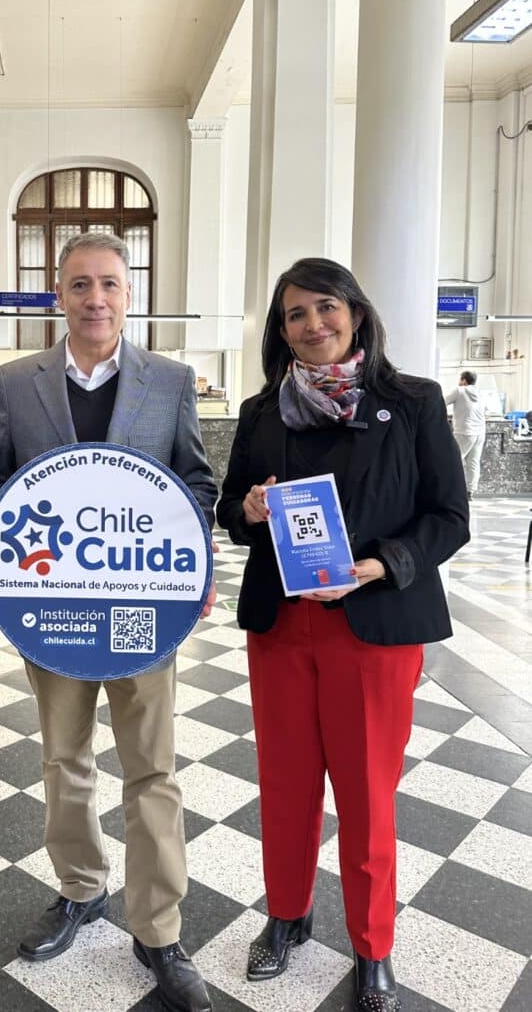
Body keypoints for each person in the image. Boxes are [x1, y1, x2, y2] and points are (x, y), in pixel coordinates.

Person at [216, 259, 469, 1012]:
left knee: (366, 794)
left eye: (326, 306)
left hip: (373, 628)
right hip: (282, 627)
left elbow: (450, 516)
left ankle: (372, 944)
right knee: (286, 785)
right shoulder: (263, 411)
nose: (312, 324)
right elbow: (230, 508)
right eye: (295, 314)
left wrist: (382, 564)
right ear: (281, 329)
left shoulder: (412, 402)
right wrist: (247, 510)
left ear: (355, 313)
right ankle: (287, 916)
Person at [0, 232, 217, 1012]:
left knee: (152, 768)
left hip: (143, 607)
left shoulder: (170, 379)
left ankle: (159, 927)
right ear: (59, 293)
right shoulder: (19, 380)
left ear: (128, 292)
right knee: (64, 758)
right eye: (79, 284)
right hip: (54, 609)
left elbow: (195, 481)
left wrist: (193, 558)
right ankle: (82, 887)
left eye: (109, 282)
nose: (95, 298)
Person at [445, 370, 487, 498]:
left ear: (464, 380)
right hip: (480, 432)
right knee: (473, 462)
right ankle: (470, 491)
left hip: (465, 431)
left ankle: (450, 491)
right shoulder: (480, 393)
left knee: (453, 461)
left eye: (460, 379)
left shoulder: (459, 390)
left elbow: (441, 402)